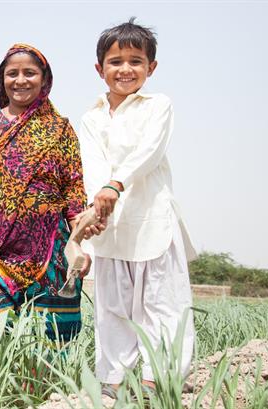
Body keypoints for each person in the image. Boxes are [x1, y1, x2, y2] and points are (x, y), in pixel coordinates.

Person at [78, 18, 197, 397]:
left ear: (151, 68)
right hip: (111, 226)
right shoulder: (92, 116)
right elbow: (92, 165)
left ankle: (155, 381)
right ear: (100, 69)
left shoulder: (158, 106)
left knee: (162, 305)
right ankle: (112, 381)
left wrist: (115, 184)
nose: (125, 69)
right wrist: (95, 208)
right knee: (112, 307)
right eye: (115, 62)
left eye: (135, 61)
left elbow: (150, 152)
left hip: (152, 221)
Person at [0, 44, 90, 342]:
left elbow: (73, 190)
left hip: (49, 253)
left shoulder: (61, 129)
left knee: (46, 344)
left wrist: (78, 243)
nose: (20, 80)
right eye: (12, 73)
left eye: (30, 73)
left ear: (44, 79)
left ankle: (43, 391)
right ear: (2, 79)